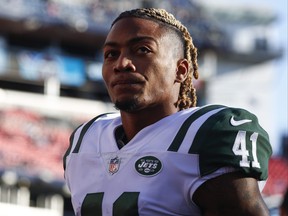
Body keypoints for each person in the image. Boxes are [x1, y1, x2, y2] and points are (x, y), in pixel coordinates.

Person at [63, 8, 272, 216]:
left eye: (142, 50)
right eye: (111, 54)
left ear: (181, 70)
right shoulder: (85, 141)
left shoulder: (206, 136)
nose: (122, 64)